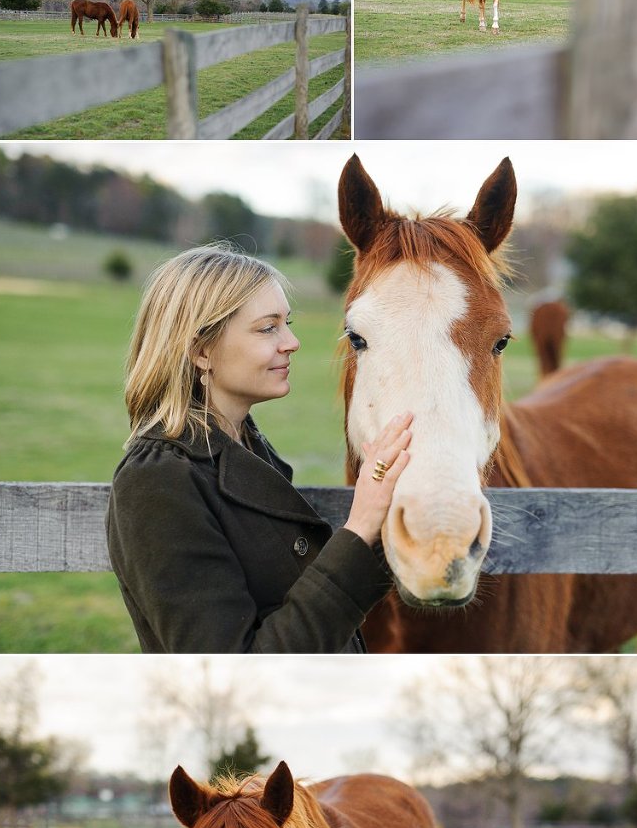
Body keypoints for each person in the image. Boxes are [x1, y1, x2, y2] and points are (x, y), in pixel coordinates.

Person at [106, 244, 411, 653]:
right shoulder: (157, 480)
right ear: (201, 351)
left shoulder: (243, 446)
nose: (293, 342)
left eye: (287, 323)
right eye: (268, 328)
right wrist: (359, 527)